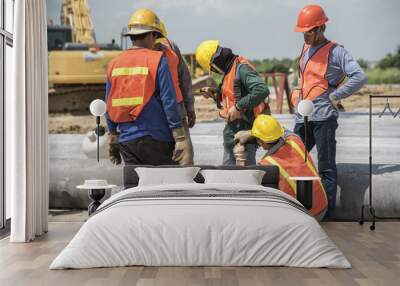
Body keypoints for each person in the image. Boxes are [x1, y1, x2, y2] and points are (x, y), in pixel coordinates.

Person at [291, 5, 368, 218]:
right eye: (302, 32)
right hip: (303, 117)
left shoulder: (337, 51)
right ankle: (300, 210)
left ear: (319, 29)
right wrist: (297, 93)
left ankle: (327, 215)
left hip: (324, 118)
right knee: (294, 160)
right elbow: (306, 78)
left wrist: (336, 96)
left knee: (325, 167)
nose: (304, 36)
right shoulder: (305, 49)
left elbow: (359, 76)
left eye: (307, 32)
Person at [105, 8, 190, 166]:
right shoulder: (158, 60)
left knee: (134, 188)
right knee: (163, 188)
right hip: (158, 139)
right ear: (152, 35)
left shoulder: (113, 64)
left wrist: (113, 137)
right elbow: (168, 100)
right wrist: (179, 136)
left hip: (127, 142)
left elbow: (109, 103)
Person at [234, 115, 328, 219]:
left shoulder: (266, 165)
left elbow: (246, 186)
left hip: (307, 216)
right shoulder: (295, 140)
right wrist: (253, 133)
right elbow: (283, 130)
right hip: (322, 206)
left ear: (261, 142)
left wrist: (240, 157)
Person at [195, 40, 270, 165]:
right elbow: (232, 95)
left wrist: (238, 107)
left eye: (212, 69)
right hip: (233, 134)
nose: (214, 71)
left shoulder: (242, 69)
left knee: (244, 178)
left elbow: (262, 89)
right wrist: (214, 93)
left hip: (244, 136)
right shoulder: (230, 70)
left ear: (215, 62)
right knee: (229, 176)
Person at [153, 21, 195, 165]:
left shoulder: (170, 47)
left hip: (157, 111)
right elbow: (185, 79)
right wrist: (190, 108)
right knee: (183, 155)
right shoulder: (171, 46)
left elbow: (184, 78)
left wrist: (190, 108)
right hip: (171, 109)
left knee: (179, 156)